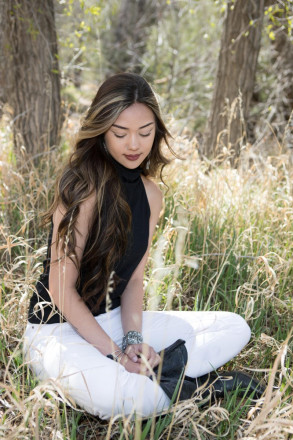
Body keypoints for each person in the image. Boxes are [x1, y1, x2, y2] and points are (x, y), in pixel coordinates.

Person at [24, 73, 254, 420]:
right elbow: (60, 289)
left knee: (236, 328)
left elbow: (132, 280)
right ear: (101, 131)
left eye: (145, 132)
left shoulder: (151, 195)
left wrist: (132, 339)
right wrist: (115, 354)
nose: (134, 144)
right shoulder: (81, 189)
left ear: (156, 132)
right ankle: (196, 384)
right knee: (133, 400)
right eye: (120, 133)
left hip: (114, 320)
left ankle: (160, 375)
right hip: (57, 331)